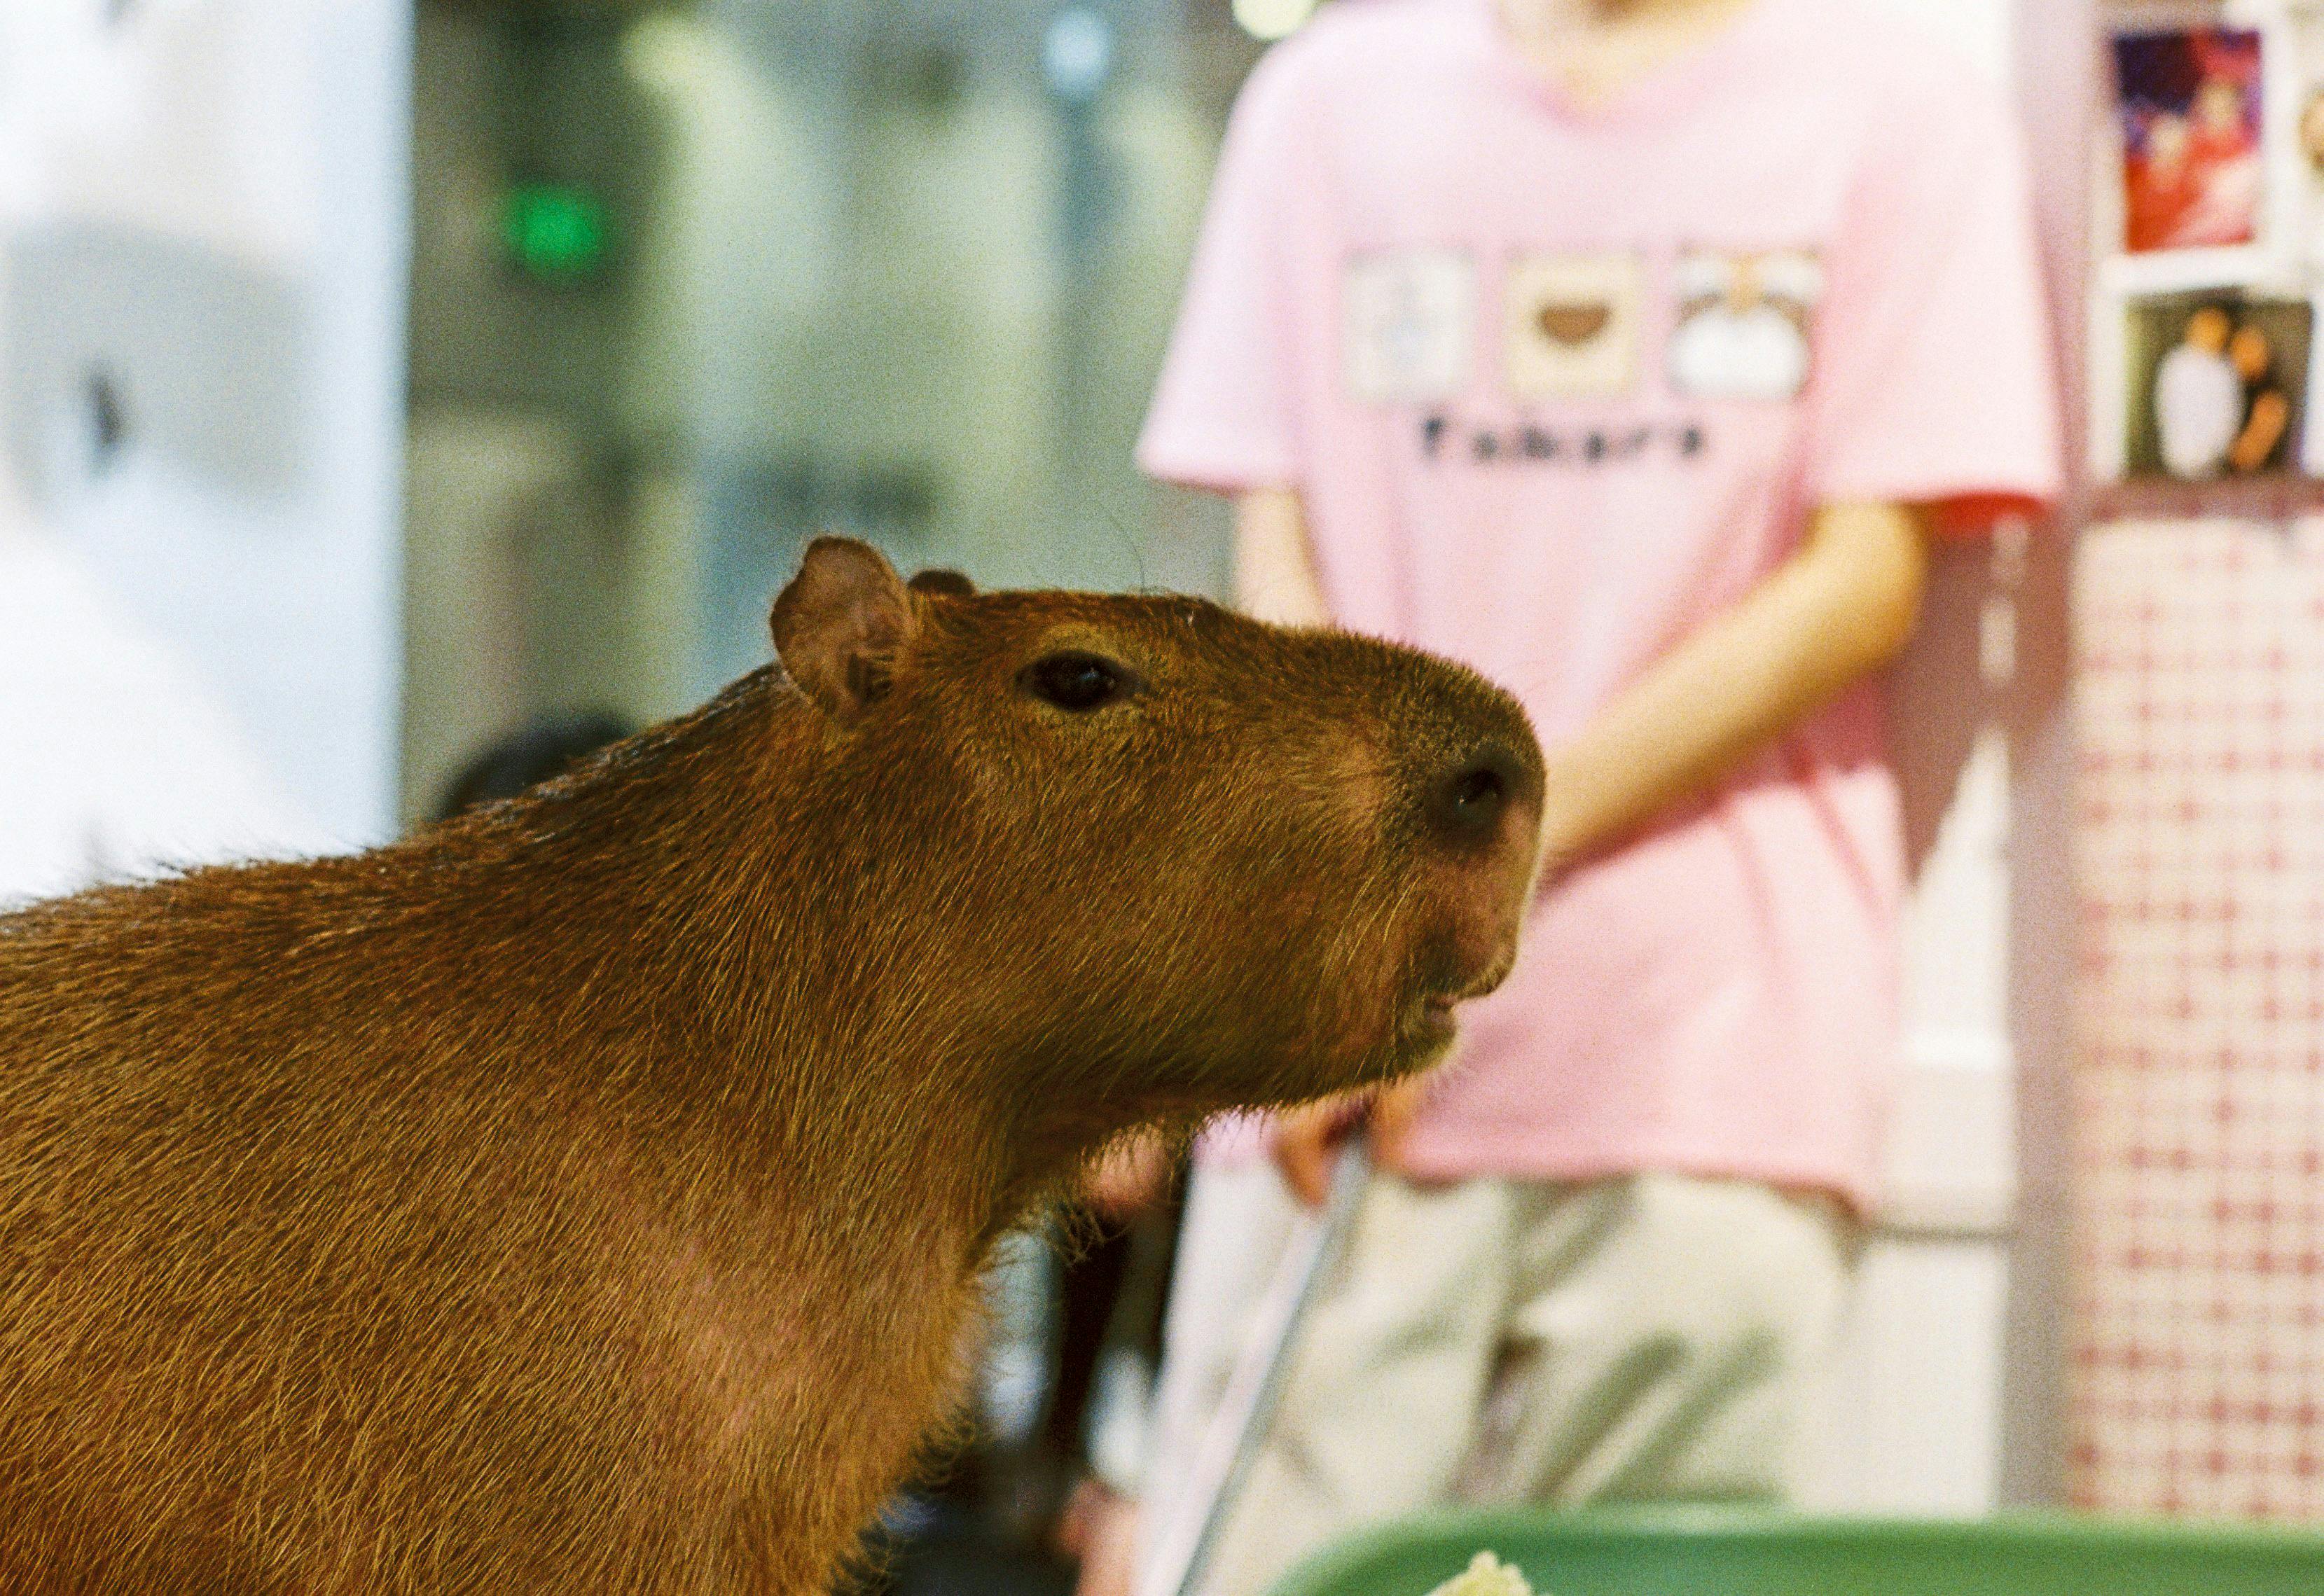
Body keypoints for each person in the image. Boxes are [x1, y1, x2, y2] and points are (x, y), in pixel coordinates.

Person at [1091, 1, 2062, 1592]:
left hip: (1706, 1067)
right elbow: (1279, 575)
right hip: (1341, 1064)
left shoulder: (1900, 113)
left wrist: (1457, 869)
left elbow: (1860, 588)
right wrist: (1340, 933)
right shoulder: (1323, 103)